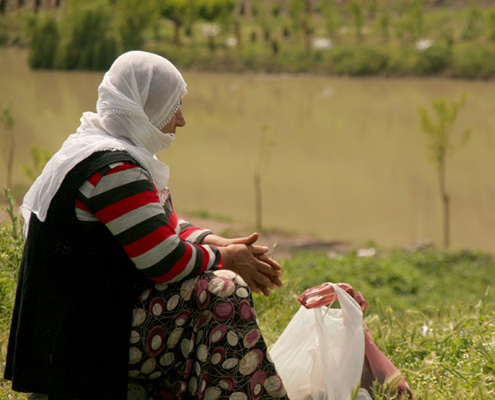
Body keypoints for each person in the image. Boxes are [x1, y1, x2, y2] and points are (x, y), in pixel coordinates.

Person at [5, 51, 289, 400]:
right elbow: (163, 259)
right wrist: (226, 259)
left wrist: (220, 242)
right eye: (173, 108)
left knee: (216, 283)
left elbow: (157, 227)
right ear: (142, 109)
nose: (181, 120)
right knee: (224, 289)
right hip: (90, 333)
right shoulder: (113, 170)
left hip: (87, 316)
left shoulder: (91, 148)